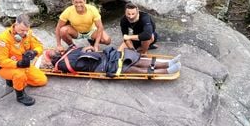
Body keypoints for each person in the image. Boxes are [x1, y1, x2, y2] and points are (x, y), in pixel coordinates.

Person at [0, 14, 47, 106]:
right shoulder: (3, 39)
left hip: (24, 65)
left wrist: (34, 52)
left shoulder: (28, 33)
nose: (24, 33)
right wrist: (18, 64)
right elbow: (1, 61)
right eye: (21, 30)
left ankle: (13, 81)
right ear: (16, 24)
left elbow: (39, 46)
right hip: (6, 67)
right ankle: (20, 95)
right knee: (19, 74)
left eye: (26, 30)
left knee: (41, 80)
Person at [39, 46, 181, 76]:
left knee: (132, 58)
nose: (52, 50)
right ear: (50, 60)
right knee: (130, 68)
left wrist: (88, 51)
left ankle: (167, 63)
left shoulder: (69, 51)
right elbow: (76, 68)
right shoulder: (62, 64)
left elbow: (85, 49)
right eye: (49, 53)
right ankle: (166, 71)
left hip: (103, 57)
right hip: (100, 66)